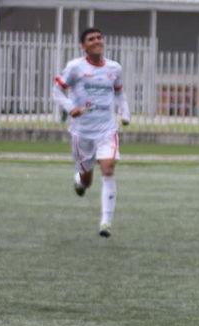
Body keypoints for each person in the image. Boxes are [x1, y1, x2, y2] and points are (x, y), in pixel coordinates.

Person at [51, 27, 129, 238]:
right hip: (82, 132)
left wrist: (125, 113)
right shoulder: (75, 67)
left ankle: (106, 222)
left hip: (107, 129)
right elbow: (57, 90)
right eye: (91, 39)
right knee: (87, 180)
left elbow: (120, 94)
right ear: (83, 46)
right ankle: (80, 181)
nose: (96, 41)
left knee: (108, 167)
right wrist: (70, 108)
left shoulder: (114, 68)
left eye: (99, 38)